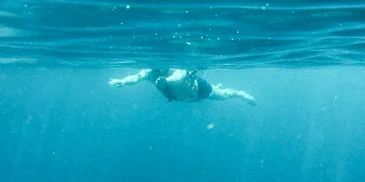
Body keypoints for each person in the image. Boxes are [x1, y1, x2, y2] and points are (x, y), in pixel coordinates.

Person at [109, 69, 256, 105]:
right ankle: (217, 87)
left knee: (222, 96)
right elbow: (135, 78)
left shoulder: (174, 70)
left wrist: (165, 82)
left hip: (200, 89)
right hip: (189, 98)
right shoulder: (149, 72)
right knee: (206, 99)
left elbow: (180, 75)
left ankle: (240, 94)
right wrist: (123, 80)